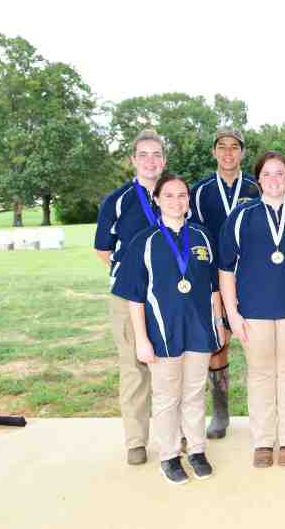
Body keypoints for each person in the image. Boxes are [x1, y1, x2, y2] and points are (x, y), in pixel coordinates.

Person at [111, 174, 224, 484]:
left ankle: (196, 449)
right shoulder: (144, 242)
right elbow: (135, 298)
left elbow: (213, 289)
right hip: (162, 333)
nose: (177, 201)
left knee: (194, 394)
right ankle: (169, 455)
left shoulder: (202, 237)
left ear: (189, 201)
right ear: (157, 200)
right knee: (166, 397)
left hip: (198, 330)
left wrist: (218, 324)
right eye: (170, 196)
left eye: (183, 196)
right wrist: (142, 341)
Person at [218, 151, 285, 468]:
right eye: (267, 174)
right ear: (258, 179)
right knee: (260, 375)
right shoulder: (241, 216)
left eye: (280, 174)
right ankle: (263, 441)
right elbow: (225, 269)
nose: (274, 180)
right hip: (253, 312)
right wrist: (232, 313)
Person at [94, 129, 166, 465]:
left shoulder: (177, 195)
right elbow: (102, 249)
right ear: (133, 160)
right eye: (144, 155)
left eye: (156, 155)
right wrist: (132, 275)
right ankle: (136, 442)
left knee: (170, 367)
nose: (150, 161)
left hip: (167, 298)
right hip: (127, 296)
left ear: (163, 161)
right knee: (135, 367)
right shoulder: (117, 200)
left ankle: (173, 434)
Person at [190, 127, 261, 439]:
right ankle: (220, 412)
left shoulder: (257, 186)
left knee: (258, 344)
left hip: (253, 277)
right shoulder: (200, 190)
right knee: (218, 342)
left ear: (243, 152)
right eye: (222, 147)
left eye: (235, 147)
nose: (229, 153)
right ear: (214, 152)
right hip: (215, 279)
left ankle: (264, 412)